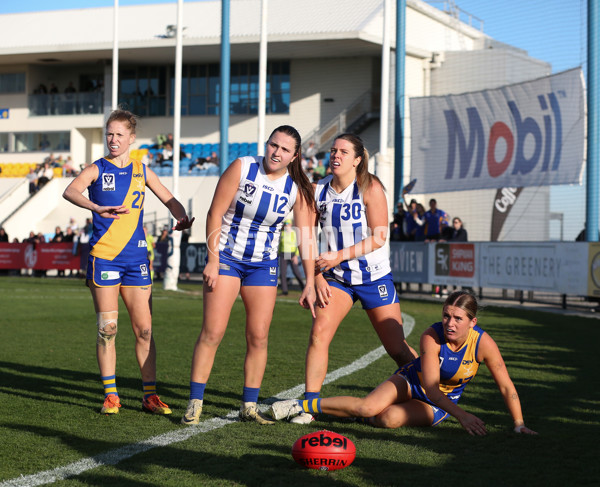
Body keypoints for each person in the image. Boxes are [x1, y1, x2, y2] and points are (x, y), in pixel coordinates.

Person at [181, 125, 316, 426]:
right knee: (213, 332)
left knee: (258, 336)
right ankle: (194, 402)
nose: (276, 152)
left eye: (284, 149)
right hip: (227, 258)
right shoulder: (242, 167)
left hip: (262, 265)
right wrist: (212, 260)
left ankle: (249, 406)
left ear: (294, 156)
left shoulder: (295, 188)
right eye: (273, 145)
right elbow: (215, 213)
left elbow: (306, 236)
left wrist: (309, 281)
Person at [63, 109, 194, 416]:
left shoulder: (142, 170)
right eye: (109, 134)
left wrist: (181, 217)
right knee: (108, 328)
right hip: (104, 257)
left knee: (145, 331)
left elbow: (168, 198)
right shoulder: (96, 169)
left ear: (131, 139)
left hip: (136, 260)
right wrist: (96, 206)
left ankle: (150, 396)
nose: (113, 140)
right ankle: (111, 395)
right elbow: (70, 191)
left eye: (119, 135)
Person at [270, 291, 538, 436]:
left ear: (472, 322)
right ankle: (298, 405)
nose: (450, 323)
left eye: (457, 318)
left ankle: (351, 413)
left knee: (387, 419)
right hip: (413, 381)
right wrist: (463, 416)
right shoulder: (431, 336)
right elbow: (431, 388)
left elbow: (506, 386)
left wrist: (518, 423)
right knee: (367, 406)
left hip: (438, 403)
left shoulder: (483, 343)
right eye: (446, 316)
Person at [291, 133, 418, 425]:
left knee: (396, 347)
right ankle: (309, 406)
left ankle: (430, 388)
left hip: (374, 277)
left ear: (358, 159)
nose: (335, 156)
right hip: (336, 278)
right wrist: (316, 274)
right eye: (333, 151)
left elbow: (380, 236)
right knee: (319, 334)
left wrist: (338, 255)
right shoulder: (316, 190)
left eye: (343, 152)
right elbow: (307, 237)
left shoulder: (370, 187)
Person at [278, 219, 305, 295]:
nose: (286, 226)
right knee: (282, 273)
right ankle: (285, 291)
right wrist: (279, 253)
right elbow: (280, 245)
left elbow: (297, 245)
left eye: (287, 224)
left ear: (291, 225)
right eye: (285, 224)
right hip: (283, 254)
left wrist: (296, 256)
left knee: (296, 272)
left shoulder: (294, 233)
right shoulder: (282, 233)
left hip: (292, 254)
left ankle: (303, 288)